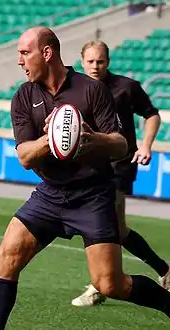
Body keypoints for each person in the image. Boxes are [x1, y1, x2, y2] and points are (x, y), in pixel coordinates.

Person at [0, 27, 170, 329]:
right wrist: (51, 138)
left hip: (93, 196)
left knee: (110, 284)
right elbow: (24, 158)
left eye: (24, 53)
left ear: (47, 53)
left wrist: (91, 138)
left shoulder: (92, 90)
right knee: (6, 258)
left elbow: (121, 144)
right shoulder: (23, 96)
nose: (19, 61)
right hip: (49, 194)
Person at [71, 40, 170, 307]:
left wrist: (147, 145)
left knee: (107, 226)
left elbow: (152, 115)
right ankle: (163, 271)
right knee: (117, 229)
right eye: (90, 61)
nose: (95, 66)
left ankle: (100, 285)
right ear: (82, 61)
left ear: (108, 61)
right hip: (89, 167)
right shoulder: (76, 88)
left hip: (120, 163)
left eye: (100, 61)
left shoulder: (126, 87)